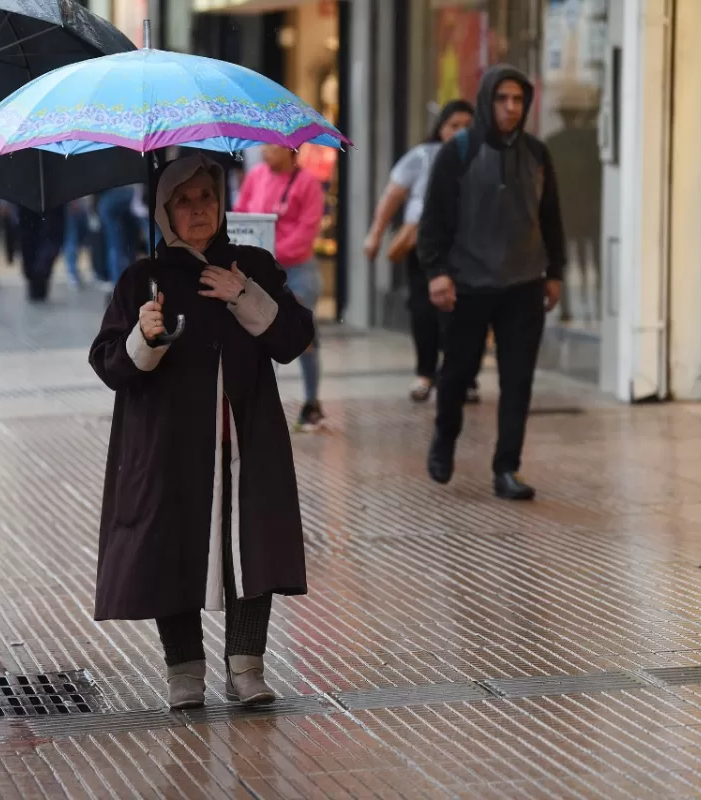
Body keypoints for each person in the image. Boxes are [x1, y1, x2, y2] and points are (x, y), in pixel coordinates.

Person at [89, 155, 313, 710]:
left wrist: (244, 294)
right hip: (169, 447)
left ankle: (246, 667)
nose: (197, 210)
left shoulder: (251, 265)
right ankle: (183, 671)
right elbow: (109, 364)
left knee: (250, 546)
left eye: (206, 197)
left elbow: (293, 340)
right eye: (183, 201)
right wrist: (144, 336)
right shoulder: (143, 280)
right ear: (164, 211)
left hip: (246, 439)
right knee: (174, 546)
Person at [418, 64, 565, 501]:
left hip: (524, 283)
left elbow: (551, 218)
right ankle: (445, 437)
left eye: (518, 99)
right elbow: (433, 220)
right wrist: (436, 272)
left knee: (517, 379)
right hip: (468, 284)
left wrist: (555, 272)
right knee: (458, 372)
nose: (511, 107)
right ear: (487, 101)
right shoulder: (458, 152)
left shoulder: (537, 154)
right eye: (502, 99)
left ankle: (507, 468)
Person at [365, 100, 476, 403]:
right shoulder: (424, 156)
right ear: (440, 128)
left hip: (467, 248)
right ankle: (426, 373)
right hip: (425, 244)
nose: (460, 133)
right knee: (424, 310)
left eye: (468, 127)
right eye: (454, 126)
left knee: (465, 312)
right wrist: (375, 234)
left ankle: (462, 377)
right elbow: (393, 195)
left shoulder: (481, 157)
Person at [233, 145, 326, 430]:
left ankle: (311, 402)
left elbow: (306, 232)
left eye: (273, 146)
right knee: (253, 332)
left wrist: (269, 252)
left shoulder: (308, 183)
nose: (265, 151)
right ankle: (257, 402)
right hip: (260, 269)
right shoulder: (255, 176)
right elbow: (241, 216)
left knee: (301, 334)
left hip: (297, 272)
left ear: (290, 150)